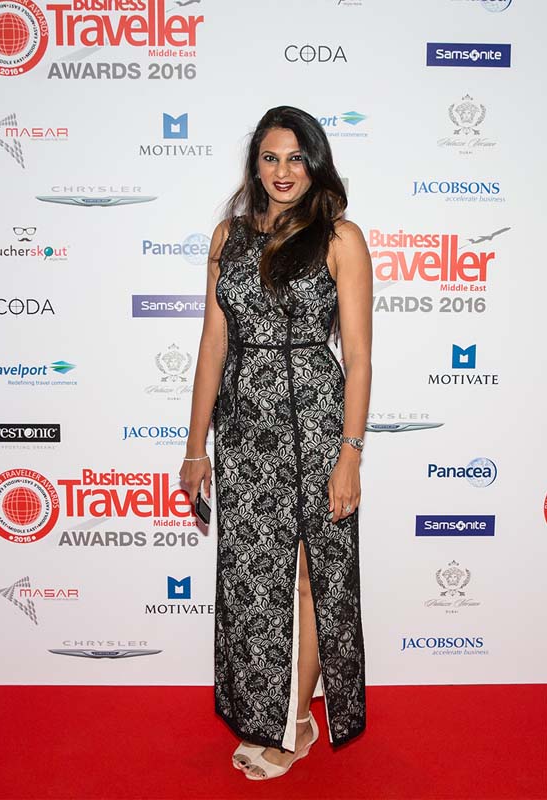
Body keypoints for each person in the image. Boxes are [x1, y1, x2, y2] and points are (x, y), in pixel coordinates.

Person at [179, 105, 372, 781]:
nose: (282, 171)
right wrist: (195, 447)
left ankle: (295, 720)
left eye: (295, 158)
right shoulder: (227, 237)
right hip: (243, 431)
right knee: (253, 580)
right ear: (254, 165)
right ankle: (268, 708)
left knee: (313, 576)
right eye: (270, 157)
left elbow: (358, 356)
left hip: (316, 425)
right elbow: (213, 343)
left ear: (314, 164)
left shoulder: (339, 238)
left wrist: (350, 453)